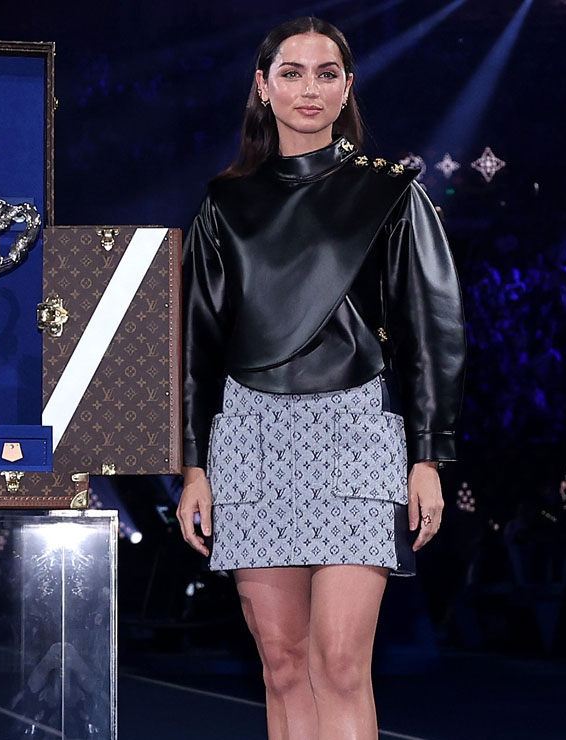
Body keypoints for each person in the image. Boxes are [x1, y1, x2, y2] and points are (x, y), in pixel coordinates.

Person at [177, 16, 466, 740]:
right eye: (293, 72)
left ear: (347, 90)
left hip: (353, 432)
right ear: (263, 87)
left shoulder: (392, 193)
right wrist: (192, 467)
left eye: (327, 73)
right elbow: (197, 348)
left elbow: (434, 334)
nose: (310, 87)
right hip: (248, 435)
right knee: (280, 662)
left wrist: (429, 456)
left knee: (340, 663)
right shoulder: (223, 206)